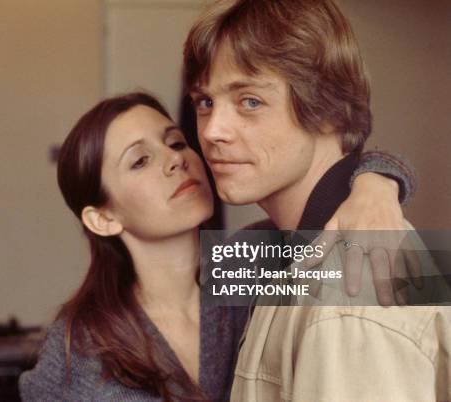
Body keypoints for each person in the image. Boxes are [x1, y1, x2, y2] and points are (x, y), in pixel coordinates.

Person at [18, 90, 417, 400]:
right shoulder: (79, 342)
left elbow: (423, 288)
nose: (177, 161)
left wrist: (377, 184)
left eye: (175, 142)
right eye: (140, 160)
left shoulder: (251, 261)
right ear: (102, 218)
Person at [181, 0, 451, 400]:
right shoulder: (279, 252)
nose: (213, 131)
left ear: (327, 110)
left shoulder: (351, 291)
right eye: (206, 102)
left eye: (249, 101)